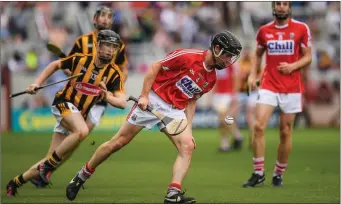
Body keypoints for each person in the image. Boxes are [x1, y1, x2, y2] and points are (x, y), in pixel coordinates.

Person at [65, 31, 242, 203]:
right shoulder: (188, 56)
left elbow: (191, 101)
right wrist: (144, 95)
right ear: (217, 48)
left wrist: (188, 127)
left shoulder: (211, 78)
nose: (228, 61)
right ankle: (81, 176)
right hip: (154, 99)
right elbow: (154, 67)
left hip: (175, 110)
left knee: (187, 146)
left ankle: (173, 192)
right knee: (117, 143)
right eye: (227, 55)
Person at [6, 30, 126, 197]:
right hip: (63, 104)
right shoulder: (81, 59)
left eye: (114, 47)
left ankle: (15, 183)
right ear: (98, 45)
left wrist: (107, 96)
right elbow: (55, 65)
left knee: (50, 158)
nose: (110, 50)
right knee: (82, 131)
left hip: (76, 114)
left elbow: (121, 102)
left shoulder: (114, 73)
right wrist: (37, 83)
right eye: (107, 45)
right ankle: (48, 166)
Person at [30, 6, 129, 188]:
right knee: (79, 133)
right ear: (94, 19)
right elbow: (70, 67)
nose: (106, 20)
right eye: (103, 16)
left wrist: (113, 88)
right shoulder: (81, 42)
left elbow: (123, 70)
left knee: (80, 135)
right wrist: (84, 77)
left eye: (109, 17)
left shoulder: (119, 46)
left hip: (99, 100)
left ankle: (48, 167)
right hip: (77, 96)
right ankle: (48, 168)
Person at [243, 1, 312, 187]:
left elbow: (308, 56)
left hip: (292, 87)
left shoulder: (301, 28)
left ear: (289, 7)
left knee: (285, 131)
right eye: (278, 3)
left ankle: (278, 173)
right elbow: (257, 54)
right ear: (273, 7)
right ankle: (258, 172)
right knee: (258, 126)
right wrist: (252, 74)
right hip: (269, 84)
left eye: (285, 4)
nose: (281, 7)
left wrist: (293, 66)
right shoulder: (264, 31)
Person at [212, 64, 243, 152]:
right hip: (218, 95)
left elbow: (237, 78)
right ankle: (231, 139)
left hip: (228, 94)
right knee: (222, 121)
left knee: (224, 119)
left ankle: (232, 138)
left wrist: (234, 94)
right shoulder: (216, 64)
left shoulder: (231, 64)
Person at [235, 46, 261, 150]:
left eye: (247, 52)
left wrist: (249, 77)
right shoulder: (239, 63)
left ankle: (253, 139)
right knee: (232, 116)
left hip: (251, 92)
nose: (246, 54)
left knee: (250, 116)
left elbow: (259, 79)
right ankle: (237, 136)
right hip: (240, 92)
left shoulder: (254, 65)